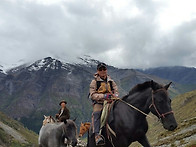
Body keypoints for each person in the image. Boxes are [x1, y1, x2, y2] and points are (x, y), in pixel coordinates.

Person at [89, 62, 119, 145]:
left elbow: (116, 90)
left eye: (104, 69)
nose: (102, 71)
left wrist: (115, 95)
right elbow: (92, 95)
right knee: (96, 113)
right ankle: (97, 135)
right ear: (97, 71)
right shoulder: (94, 82)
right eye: (100, 69)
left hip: (111, 101)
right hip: (100, 103)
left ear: (106, 70)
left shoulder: (111, 81)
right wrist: (104, 96)